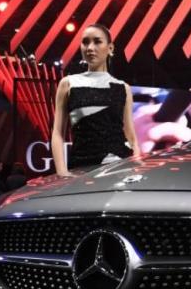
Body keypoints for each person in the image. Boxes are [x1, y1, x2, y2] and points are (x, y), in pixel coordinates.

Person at [51, 24, 140, 176]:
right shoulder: (68, 83)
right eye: (85, 42)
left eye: (97, 41)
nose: (90, 47)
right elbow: (58, 132)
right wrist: (61, 171)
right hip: (81, 167)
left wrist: (137, 163)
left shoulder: (122, 88)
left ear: (110, 48)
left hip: (119, 166)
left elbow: (130, 135)